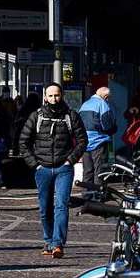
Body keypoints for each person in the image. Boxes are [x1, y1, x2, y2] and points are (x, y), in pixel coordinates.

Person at [20, 82, 87, 259]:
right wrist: (35, 164)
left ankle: (58, 243)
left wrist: (69, 161)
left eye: (57, 95)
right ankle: (48, 240)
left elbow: (82, 141)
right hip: (42, 168)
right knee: (44, 208)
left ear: (62, 96)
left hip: (63, 168)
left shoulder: (71, 116)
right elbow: (23, 142)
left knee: (61, 205)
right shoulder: (36, 116)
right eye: (50, 96)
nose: (54, 99)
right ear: (45, 97)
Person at [78, 86, 117, 185]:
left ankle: (87, 194)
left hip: (85, 142)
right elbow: (107, 125)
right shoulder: (102, 104)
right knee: (100, 170)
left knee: (87, 170)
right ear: (105, 96)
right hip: (98, 141)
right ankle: (98, 195)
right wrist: (114, 129)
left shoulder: (85, 104)